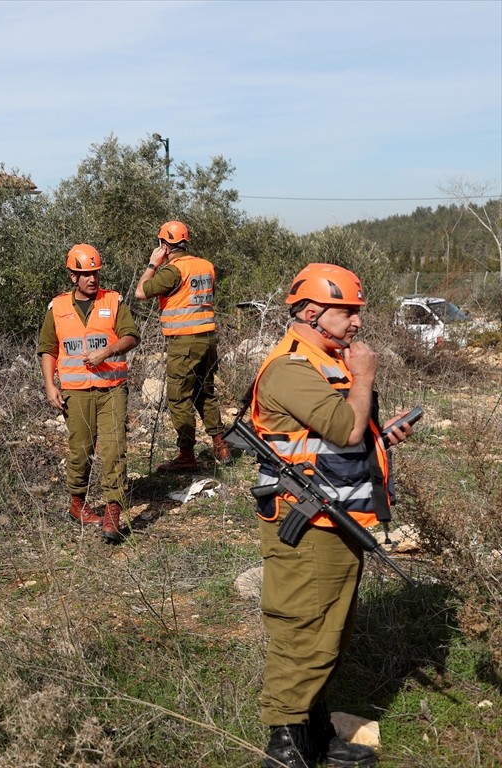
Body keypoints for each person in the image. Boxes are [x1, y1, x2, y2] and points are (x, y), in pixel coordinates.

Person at [248, 263, 414, 768]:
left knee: (332, 631)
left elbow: (334, 441)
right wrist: (365, 376)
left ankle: (313, 735)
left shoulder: (325, 362)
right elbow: (343, 430)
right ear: (312, 312)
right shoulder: (290, 369)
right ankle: (285, 748)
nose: (358, 323)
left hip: (337, 519)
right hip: (310, 526)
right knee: (304, 631)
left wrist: (380, 437)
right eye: (350, 312)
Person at [39, 244, 140, 542]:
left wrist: (108, 351)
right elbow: (48, 348)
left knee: (113, 448)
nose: (91, 279)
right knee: (80, 450)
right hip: (76, 392)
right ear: (72, 276)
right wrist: (50, 384)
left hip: (112, 389)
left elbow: (132, 336)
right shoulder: (56, 308)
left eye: (94, 273)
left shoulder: (114, 301)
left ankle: (112, 511)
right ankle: (77, 505)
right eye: (84, 274)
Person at [134, 220, 231, 471]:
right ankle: (220, 445)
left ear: (164, 244)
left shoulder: (172, 271)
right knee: (205, 392)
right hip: (208, 339)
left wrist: (153, 264)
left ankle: (186, 456)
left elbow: (141, 292)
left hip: (184, 341)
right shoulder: (205, 266)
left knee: (179, 398)